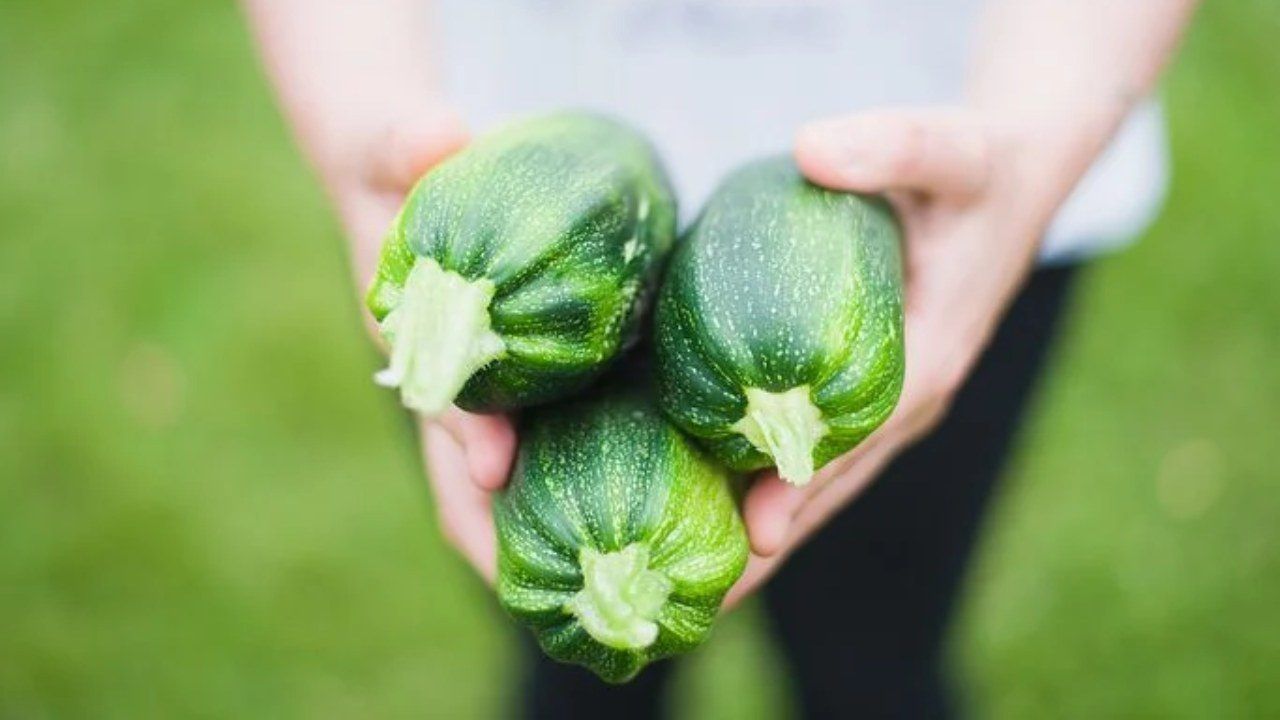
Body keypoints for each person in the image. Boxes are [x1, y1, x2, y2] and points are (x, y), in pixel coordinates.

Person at [244, 1, 1199, 716]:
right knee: (577, 669)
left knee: (875, 659)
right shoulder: (463, 263)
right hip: (505, 186)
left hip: (959, 192)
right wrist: (359, 118)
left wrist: (1035, 146)